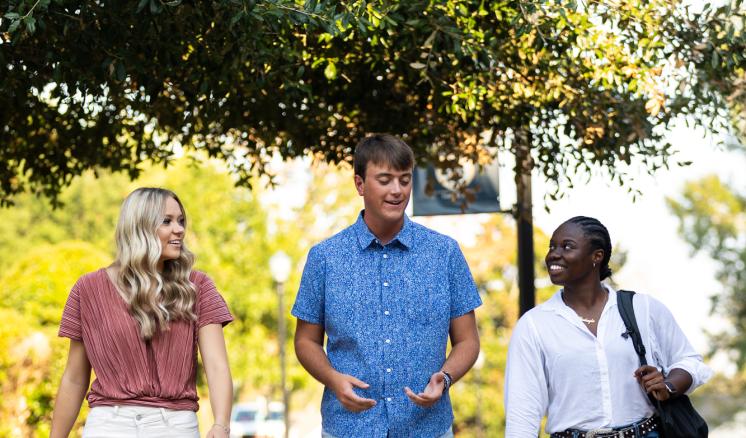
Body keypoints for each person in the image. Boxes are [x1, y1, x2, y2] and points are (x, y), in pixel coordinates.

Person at [292, 133, 482, 437]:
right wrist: (332, 378)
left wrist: (445, 378)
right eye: (385, 180)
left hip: (428, 428)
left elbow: (468, 340)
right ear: (359, 184)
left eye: (404, 180)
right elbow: (305, 341)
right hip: (348, 428)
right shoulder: (325, 258)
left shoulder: (444, 253)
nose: (397, 191)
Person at [505, 216, 712, 437]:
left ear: (597, 256)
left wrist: (668, 386)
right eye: (552, 247)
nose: (554, 254)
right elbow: (522, 413)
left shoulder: (642, 308)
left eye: (567, 246)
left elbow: (690, 362)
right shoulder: (534, 324)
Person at [50, 188, 234, 438]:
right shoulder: (88, 289)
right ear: (140, 227)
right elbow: (74, 377)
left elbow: (216, 365)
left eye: (181, 221)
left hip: (175, 426)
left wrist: (221, 423)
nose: (179, 229)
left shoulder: (197, 286)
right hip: (108, 425)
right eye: (167, 221)